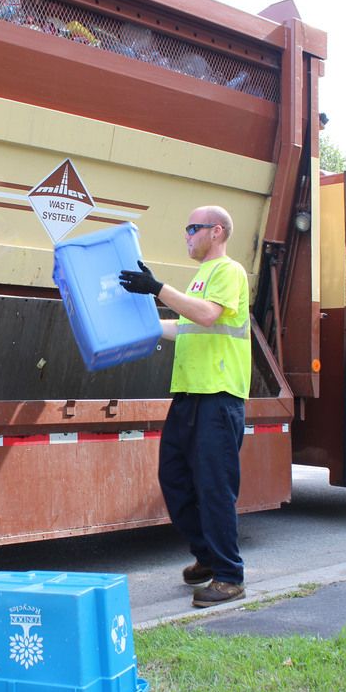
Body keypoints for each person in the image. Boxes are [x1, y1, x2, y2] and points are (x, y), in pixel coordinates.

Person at [119, 205, 251, 607]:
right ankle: (208, 557)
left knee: (214, 489)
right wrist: (140, 325)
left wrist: (156, 288)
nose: (187, 236)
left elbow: (208, 316)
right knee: (174, 480)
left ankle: (229, 577)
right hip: (190, 395)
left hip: (219, 395)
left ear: (216, 232)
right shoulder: (200, 278)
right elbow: (187, 325)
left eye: (192, 228)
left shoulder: (229, 271)